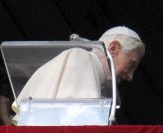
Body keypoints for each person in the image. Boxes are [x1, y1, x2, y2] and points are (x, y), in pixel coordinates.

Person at [11, 26, 145, 124]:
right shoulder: (80, 57)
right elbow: (77, 120)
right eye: (131, 65)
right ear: (113, 48)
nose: (130, 76)